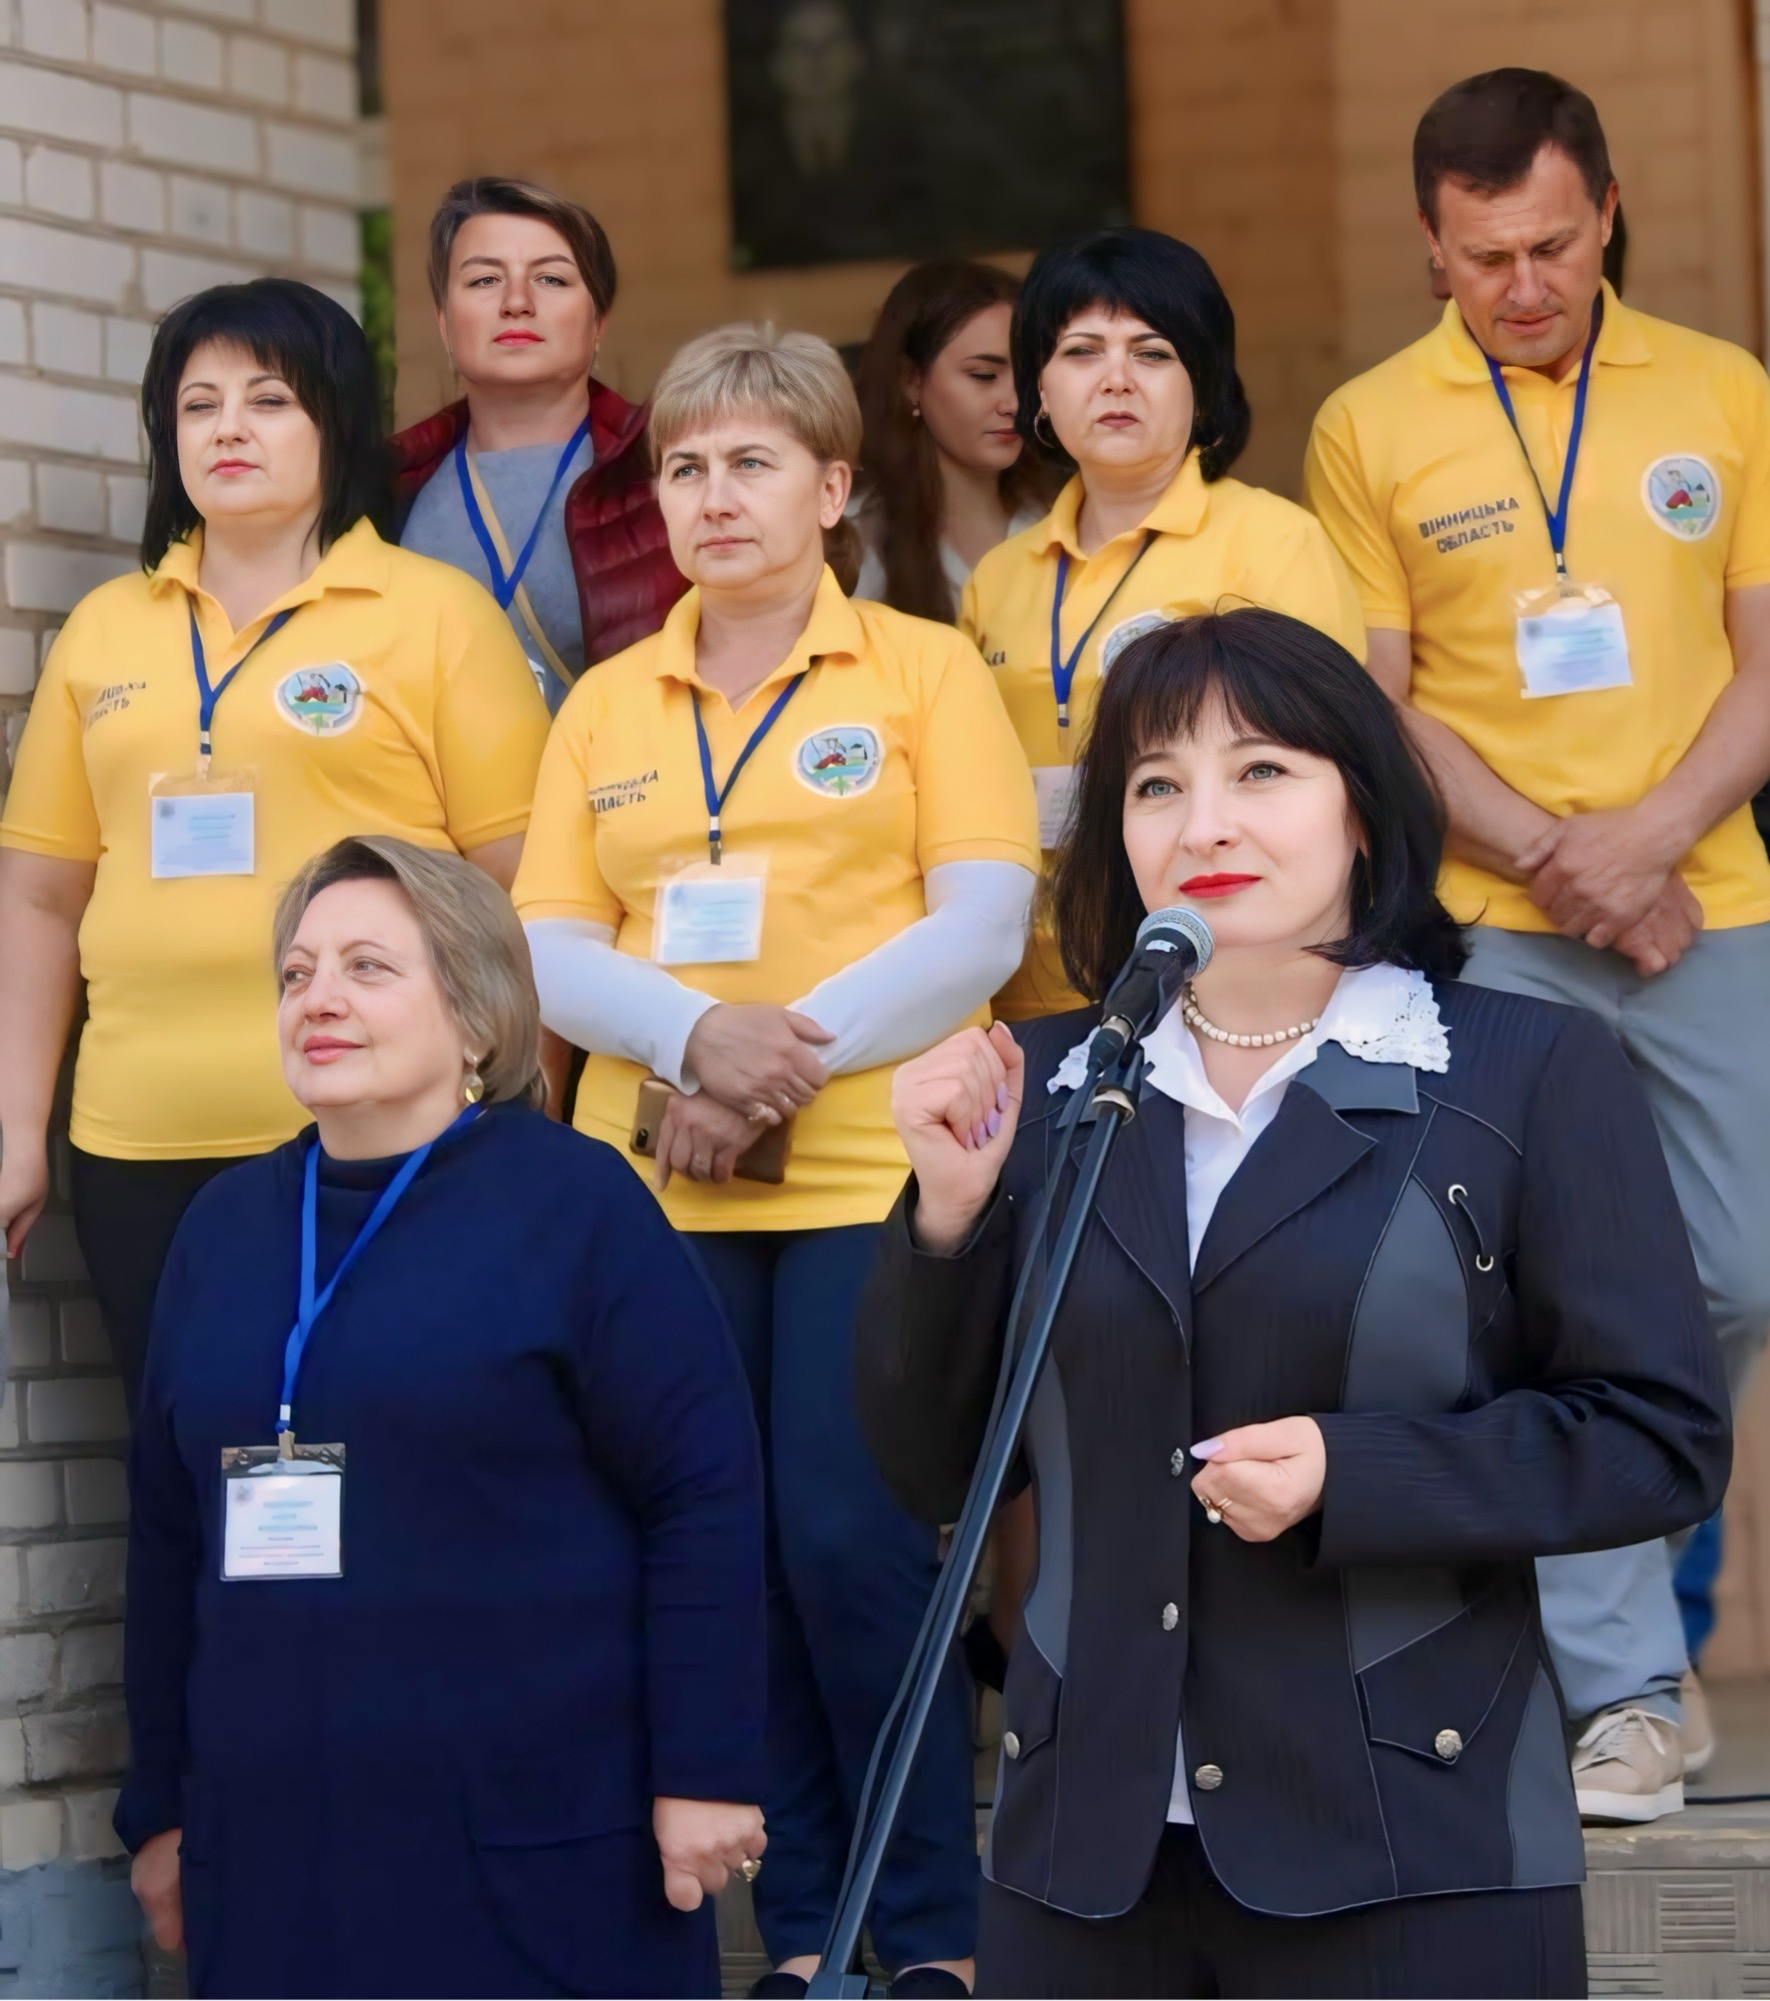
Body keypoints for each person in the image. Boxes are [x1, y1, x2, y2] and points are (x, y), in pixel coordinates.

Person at [853, 609, 1730, 1998]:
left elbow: (1655, 1437)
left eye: (1261, 769)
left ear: (1361, 809)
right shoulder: (1041, 1084)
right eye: (1155, 784)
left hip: (1414, 1841)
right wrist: (947, 1222)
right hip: (1082, 1856)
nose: (1205, 820)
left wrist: (1351, 1472)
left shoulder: (1522, 1070)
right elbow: (929, 1471)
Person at [1305, 69, 1770, 1823]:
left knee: (1734, 1276)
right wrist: (1554, 854)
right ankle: (1622, 1692)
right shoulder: (1370, 426)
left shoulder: (1719, 389)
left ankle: (1630, 1610)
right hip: (1500, 927)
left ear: (1605, 211)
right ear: (1429, 247)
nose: (1521, 287)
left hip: (1706, 905)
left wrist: (1647, 843)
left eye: (1549, 246)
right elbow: (1377, 707)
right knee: (1550, 1298)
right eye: (1482, 258)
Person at [511, 322, 1041, 1999]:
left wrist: (760, 1061)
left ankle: (934, 1932)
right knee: (717, 1549)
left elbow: (981, 923)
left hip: (865, 1171)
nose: (714, 495)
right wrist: (692, 1041)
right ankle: (808, 1933)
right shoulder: (605, 701)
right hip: (656, 1184)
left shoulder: (922, 671)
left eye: (752, 462)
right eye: (683, 466)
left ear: (831, 488)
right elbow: (542, 941)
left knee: (851, 1541)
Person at [118, 835, 765, 1996]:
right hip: (274, 1854)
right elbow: (167, 1537)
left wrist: (704, 1767)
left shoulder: (574, 1205)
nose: (319, 997)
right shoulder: (221, 1228)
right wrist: (158, 1807)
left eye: (367, 967)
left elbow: (702, 1493)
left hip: (532, 1848)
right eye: (298, 973)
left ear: (475, 1016)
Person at [0, 278, 550, 1400]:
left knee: (375, 1446)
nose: (228, 430)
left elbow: (527, 888)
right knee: (178, 1456)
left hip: (381, 1134)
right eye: (198, 406)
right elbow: (41, 897)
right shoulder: (104, 629)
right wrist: (17, 1128)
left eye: (267, 400)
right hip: (136, 1136)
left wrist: (515, 1112)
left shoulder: (436, 615)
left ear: (335, 422)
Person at [960, 226, 1367, 1021]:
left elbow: (1331, 774)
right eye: (1081, 352)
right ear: (1039, 390)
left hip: (1216, 974)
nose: (1116, 379)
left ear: (1202, 385)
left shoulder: (1274, 543)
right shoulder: (997, 577)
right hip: (1024, 983)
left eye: (1151, 353)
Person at [393, 175, 686, 702]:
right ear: (443, 324)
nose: (517, 302)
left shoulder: (675, 473)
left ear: (598, 322)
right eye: (484, 280)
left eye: (551, 278)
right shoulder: (383, 488)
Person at [853, 259, 1054, 618]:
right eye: (984, 375)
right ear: (911, 381)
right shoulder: (851, 542)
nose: (1015, 403)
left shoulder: (1062, 518)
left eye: (1027, 376)